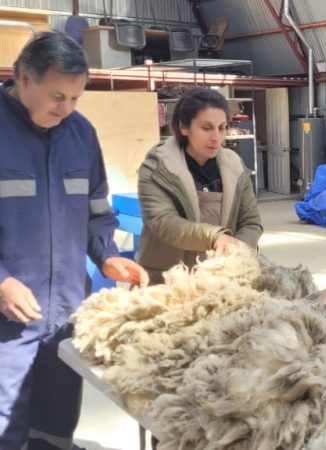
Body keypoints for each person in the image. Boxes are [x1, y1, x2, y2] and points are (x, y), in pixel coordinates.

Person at [0, 31, 149, 450]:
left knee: (57, 419)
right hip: (6, 319)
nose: (65, 108)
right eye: (57, 96)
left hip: (66, 309)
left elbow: (96, 210)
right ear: (23, 77)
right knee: (5, 420)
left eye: (75, 98)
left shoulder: (80, 134)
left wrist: (108, 256)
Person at [137, 87, 262, 284]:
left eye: (222, 128)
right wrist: (215, 237)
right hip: (165, 280)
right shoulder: (157, 168)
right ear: (184, 127)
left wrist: (239, 250)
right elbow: (163, 221)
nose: (216, 137)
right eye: (207, 127)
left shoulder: (235, 167)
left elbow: (250, 222)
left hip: (219, 280)